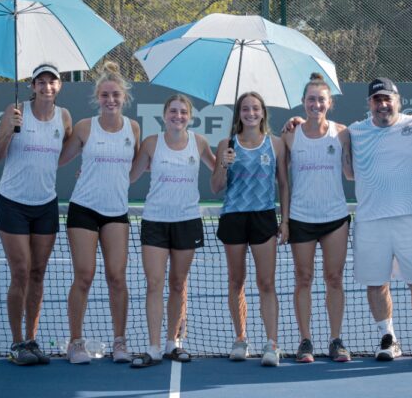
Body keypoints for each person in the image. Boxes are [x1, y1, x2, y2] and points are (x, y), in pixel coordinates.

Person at [345, 77, 412, 364]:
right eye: (377, 99)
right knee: (376, 284)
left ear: (398, 101)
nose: (383, 104)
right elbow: (325, 132)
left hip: (411, 219)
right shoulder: (353, 131)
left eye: (388, 99)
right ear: (369, 104)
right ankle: (388, 338)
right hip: (370, 221)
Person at [0, 63, 73, 365]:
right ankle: (16, 343)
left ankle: (32, 339)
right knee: (21, 272)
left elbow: (63, 152)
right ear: (32, 85)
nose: (46, 86)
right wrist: (9, 131)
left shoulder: (64, 117)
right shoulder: (14, 110)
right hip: (12, 202)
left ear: (59, 86)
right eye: (41, 81)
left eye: (52, 81)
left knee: (38, 273)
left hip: (46, 205)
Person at [58, 61, 140, 365]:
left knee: (117, 277)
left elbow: (131, 167)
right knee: (84, 276)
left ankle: (120, 342)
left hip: (116, 213)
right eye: (105, 95)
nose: (110, 100)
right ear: (97, 97)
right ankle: (75, 342)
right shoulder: (83, 127)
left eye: (115, 95)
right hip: (83, 210)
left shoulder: (133, 128)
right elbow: (61, 158)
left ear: (124, 97)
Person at [128, 94, 216, 367]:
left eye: (183, 112)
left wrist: (227, 161)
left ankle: (173, 343)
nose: (178, 116)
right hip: (155, 221)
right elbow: (130, 175)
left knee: (178, 283)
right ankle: (154, 347)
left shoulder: (199, 143)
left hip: (187, 221)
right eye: (173, 111)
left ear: (189, 117)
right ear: (164, 115)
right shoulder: (151, 143)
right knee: (154, 284)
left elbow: (219, 173)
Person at [210, 91, 290, 367]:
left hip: (264, 217)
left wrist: (286, 221)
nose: (251, 113)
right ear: (239, 114)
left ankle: (272, 343)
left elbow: (283, 184)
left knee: (266, 283)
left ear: (263, 112)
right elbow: (216, 187)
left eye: (256, 108)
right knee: (236, 281)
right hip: (233, 217)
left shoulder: (276, 144)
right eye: (246, 108)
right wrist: (224, 163)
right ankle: (241, 338)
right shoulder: (226, 144)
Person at [281, 73, 352, 363]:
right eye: (311, 99)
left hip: (335, 218)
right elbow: (283, 183)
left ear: (329, 103)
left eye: (321, 99)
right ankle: (305, 341)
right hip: (301, 218)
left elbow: (351, 171)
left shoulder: (343, 132)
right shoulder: (289, 134)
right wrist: (284, 220)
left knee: (334, 279)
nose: (316, 104)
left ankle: (336, 340)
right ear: (303, 103)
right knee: (303, 279)